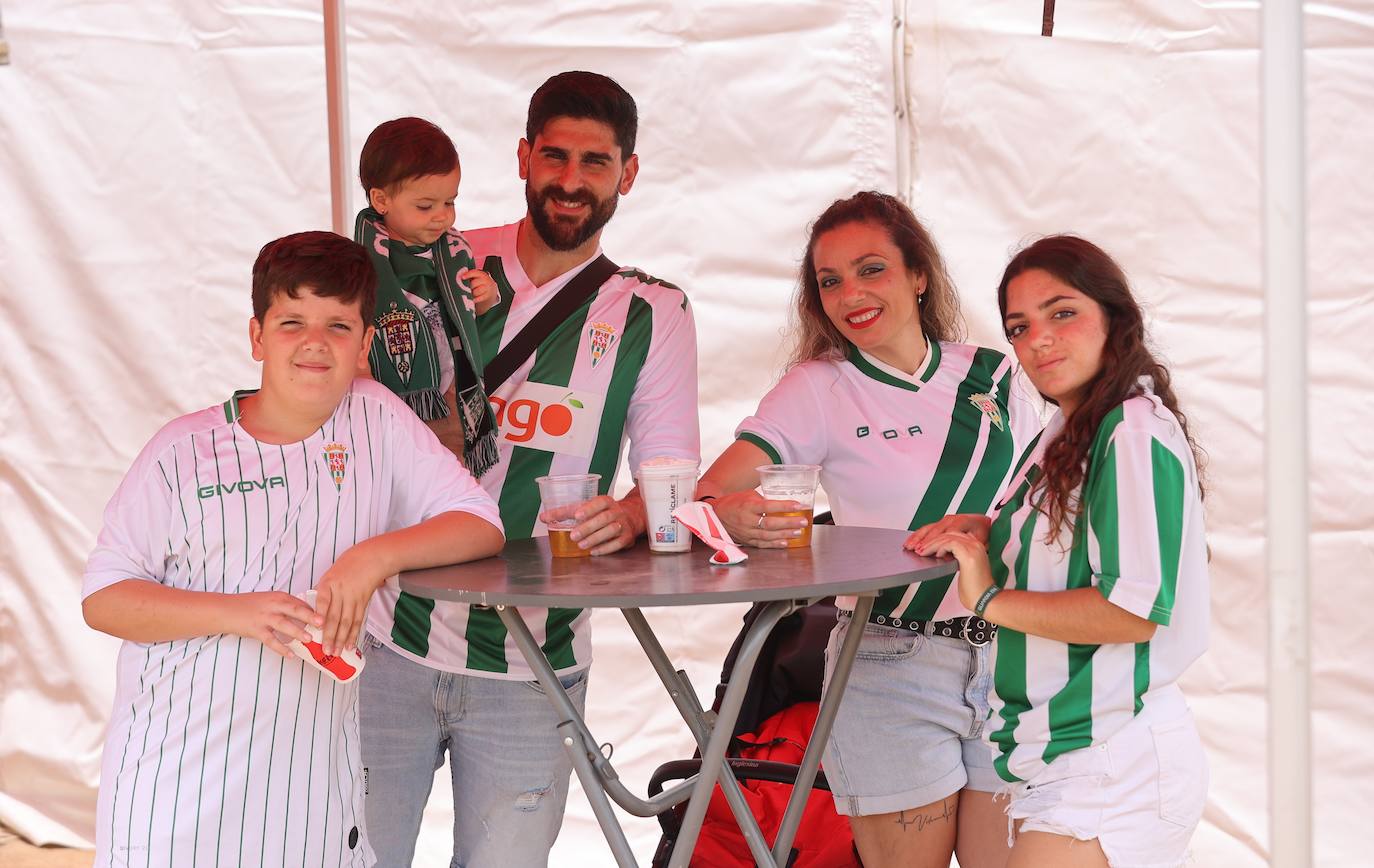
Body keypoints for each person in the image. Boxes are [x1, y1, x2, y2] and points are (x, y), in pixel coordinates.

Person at [359, 71, 700, 867]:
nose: (572, 180)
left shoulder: (653, 311)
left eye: (595, 161)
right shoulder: (434, 254)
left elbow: (671, 479)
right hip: (392, 635)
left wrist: (635, 513)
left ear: (629, 172)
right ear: (522, 157)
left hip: (534, 659)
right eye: (554, 157)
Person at [81, 231, 505, 867]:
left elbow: (480, 522)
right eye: (291, 322)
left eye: (338, 324)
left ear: (365, 344)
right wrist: (242, 613)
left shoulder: (376, 416)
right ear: (256, 336)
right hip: (175, 788)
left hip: (311, 793)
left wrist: (374, 558)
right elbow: (105, 599)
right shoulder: (182, 448)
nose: (315, 342)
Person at [694, 191, 1036, 868]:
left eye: (871, 269)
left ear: (918, 275)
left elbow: (1043, 507)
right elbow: (706, 495)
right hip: (891, 661)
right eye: (830, 281)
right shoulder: (819, 386)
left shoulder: (999, 376)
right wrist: (727, 516)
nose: (850, 293)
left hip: (1017, 660)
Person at [914, 235, 1210, 868]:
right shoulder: (1071, 428)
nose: (1038, 339)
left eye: (1062, 312)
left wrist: (989, 598)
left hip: (1112, 759)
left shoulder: (1129, 432)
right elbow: (1070, 543)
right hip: (1071, 754)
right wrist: (991, 527)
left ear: (1114, 316)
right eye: (1019, 327)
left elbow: (1129, 610)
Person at [355, 116, 502, 475]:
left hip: (455, 390)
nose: (441, 217)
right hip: (395, 397)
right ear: (381, 199)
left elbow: (465, 311)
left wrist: (485, 295)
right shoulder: (361, 261)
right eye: (426, 206)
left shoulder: (453, 250)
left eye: (449, 202)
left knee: (453, 478)